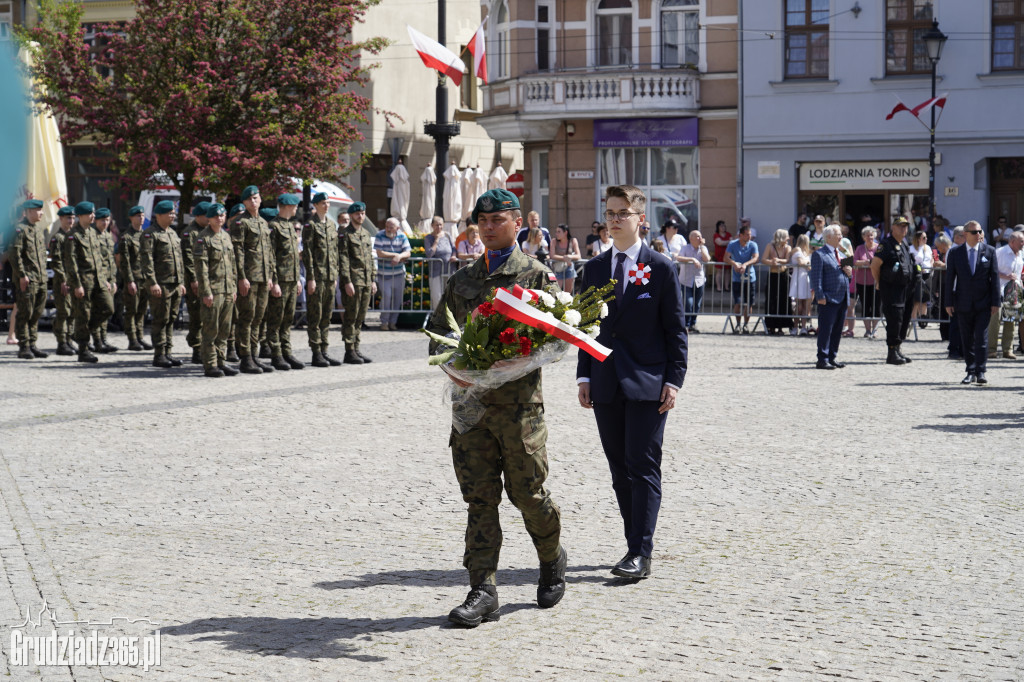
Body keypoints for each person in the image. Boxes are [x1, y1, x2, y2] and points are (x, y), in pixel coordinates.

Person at [427, 188, 566, 626]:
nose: (489, 227)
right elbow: (438, 333)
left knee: (529, 495)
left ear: (516, 223)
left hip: (521, 408)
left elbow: (560, 339)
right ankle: (482, 589)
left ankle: (551, 556)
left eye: (498, 220)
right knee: (479, 499)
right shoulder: (462, 279)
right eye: (482, 221)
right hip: (471, 409)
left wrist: (516, 361)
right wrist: (454, 366)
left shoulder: (536, 277)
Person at [577, 184, 687, 580]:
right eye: (609, 212)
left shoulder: (660, 267)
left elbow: (676, 330)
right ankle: (631, 543)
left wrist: (673, 380)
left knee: (642, 465)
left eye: (622, 212)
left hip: (648, 381)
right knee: (619, 469)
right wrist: (584, 374)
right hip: (605, 382)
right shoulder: (592, 269)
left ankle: (640, 551)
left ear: (641, 218)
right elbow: (585, 328)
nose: (614, 219)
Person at [944, 220, 1001, 384]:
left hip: (984, 303)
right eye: (975, 232)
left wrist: (995, 302)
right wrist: (948, 302)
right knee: (967, 338)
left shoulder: (989, 251)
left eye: (980, 231)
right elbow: (950, 279)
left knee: (981, 339)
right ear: (965, 234)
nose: (978, 235)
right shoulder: (955, 253)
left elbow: (995, 278)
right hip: (963, 303)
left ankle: (981, 371)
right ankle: (970, 370)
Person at [232, 185, 276, 374]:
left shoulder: (264, 223)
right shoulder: (240, 223)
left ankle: (254, 355)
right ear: (244, 202)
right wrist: (241, 277)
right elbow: (238, 252)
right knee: (247, 318)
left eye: (256, 198)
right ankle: (245, 357)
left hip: (263, 277)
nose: (253, 201)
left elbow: (269, 252)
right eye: (249, 199)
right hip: (249, 278)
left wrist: (271, 276)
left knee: (259, 318)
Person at [64, 202, 115, 363]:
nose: (93, 216)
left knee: (108, 308)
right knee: (83, 315)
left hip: (99, 281)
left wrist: (106, 279)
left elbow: (99, 259)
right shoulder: (73, 235)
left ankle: (81, 333)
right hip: (84, 282)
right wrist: (77, 284)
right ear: (80, 216)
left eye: (93, 213)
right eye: (89, 214)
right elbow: (71, 263)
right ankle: (83, 350)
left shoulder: (93, 233)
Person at [193, 203, 239, 378]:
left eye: (222, 215)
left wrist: (233, 288)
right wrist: (206, 292)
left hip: (227, 290)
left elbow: (232, 265)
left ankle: (221, 361)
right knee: (211, 329)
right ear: (209, 218)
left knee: (225, 330)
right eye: (215, 216)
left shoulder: (226, 237)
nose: (219, 218)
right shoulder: (203, 238)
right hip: (214, 290)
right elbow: (201, 269)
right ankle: (210, 364)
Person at [140, 200, 186, 368]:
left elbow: (179, 261)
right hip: (160, 284)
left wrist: (181, 282)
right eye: (169, 213)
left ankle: (168, 352)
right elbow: (147, 261)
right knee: (161, 319)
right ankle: (159, 354)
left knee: (171, 319)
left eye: (173, 213)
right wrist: (152, 283)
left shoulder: (173, 234)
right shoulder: (150, 234)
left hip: (174, 284)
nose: (172, 216)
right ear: (158, 215)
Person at [870, 217, 920, 366]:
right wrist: (879, 282)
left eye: (905, 226)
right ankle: (891, 352)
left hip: (905, 288)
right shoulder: (886, 244)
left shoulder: (904, 243)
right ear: (893, 228)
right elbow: (875, 265)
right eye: (900, 226)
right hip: (891, 289)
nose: (903, 229)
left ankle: (898, 349)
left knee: (903, 320)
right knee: (894, 320)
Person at [302, 192, 342, 365]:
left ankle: (324, 349)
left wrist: (335, 274)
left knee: (327, 314)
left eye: (328, 203)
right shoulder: (310, 225)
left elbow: (334, 252)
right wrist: (310, 277)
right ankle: (316, 351)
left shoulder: (332, 226)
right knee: (315, 315)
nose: (326, 205)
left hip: (329, 276)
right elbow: (308, 253)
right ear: (316, 205)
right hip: (316, 277)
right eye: (323, 203)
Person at [7, 199, 49, 359]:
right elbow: (14, 255)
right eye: (38, 210)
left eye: (41, 210)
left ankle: (32, 344)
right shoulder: (19, 230)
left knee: (37, 313)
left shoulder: (37, 230)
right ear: (29, 211)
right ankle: (23, 346)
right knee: (25, 312)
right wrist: (22, 275)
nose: (41, 213)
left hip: (40, 279)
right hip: (27, 279)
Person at [265, 194, 304, 370]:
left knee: (288, 318)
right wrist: (274, 281)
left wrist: (297, 280)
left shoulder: (289, 226)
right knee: (276, 319)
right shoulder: (274, 226)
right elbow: (271, 256)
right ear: (288, 206)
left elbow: (294, 256)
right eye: (295, 205)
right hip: (280, 279)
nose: (297, 208)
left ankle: (286, 352)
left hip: (291, 279)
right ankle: (276, 354)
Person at [338, 201, 377, 364]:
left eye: (362, 213)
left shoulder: (366, 234)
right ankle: (349, 350)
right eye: (357, 214)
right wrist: (347, 281)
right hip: (353, 281)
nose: (360, 216)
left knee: (360, 316)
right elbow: (343, 259)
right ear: (352, 215)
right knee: (351, 316)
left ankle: (356, 348)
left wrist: (373, 279)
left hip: (366, 281)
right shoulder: (345, 235)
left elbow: (370, 258)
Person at [809, 225, 852, 370]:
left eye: (841, 234)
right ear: (829, 237)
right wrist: (820, 296)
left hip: (842, 297)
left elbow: (848, 278)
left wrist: (850, 273)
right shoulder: (819, 255)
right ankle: (822, 359)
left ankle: (832, 357)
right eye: (838, 235)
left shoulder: (842, 254)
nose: (841, 237)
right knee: (826, 329)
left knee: (837, 329)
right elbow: (816, 278)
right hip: (828, 298)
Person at [116, 205, 151, 352]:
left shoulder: (146, 235)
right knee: (131, 310)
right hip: (134, 279)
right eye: (138, 216)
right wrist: (129, 281)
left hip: (145, 279)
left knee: (142, 310)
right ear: (131, 218)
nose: (141, 218)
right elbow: (124, 262)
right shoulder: (126, 237)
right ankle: (132, 339)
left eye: (142, 215)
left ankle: (140, 336)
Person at [180, 202, 210, 363]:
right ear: (198, 216)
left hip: (207, 280)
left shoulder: (207, 232)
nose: (209, 218)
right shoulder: (189, 233)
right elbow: (189, 259)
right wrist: (193, 280)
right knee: (196, 315)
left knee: (207, 315)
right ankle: (196, 348)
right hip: (195, 282)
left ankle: (205, 346)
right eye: (206, 215)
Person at [987, 230, 1023, 360]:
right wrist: (1005, 276)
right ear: (1012, 241)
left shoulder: (1020, 255)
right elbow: (991, 271)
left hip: (1013, 292)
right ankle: (991, 349)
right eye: (1021, 241)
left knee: (1011, 321)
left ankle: (1008, 349)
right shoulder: (1000, 252)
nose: (1023, 243)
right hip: (999, 290)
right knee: (995, 321)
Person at [373, 216, 411, 331]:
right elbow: (380, 253)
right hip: (384, 274)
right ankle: (384, 322)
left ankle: (392, 322)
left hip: (399, 273)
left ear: (397, 228)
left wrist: (399, 256)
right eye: (387, 226)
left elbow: (408, 252)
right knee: (387, 297)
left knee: (397, 299)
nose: (388, 229)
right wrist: (394, 255)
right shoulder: (380, 235)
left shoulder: (402, 235)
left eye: (391, 227)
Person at [49, 205, 78, 355]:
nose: (71, 221)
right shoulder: (58, 238)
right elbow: (56, 262)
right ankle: (61, 343)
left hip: (74, 281)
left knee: (72, 311)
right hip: (63, 281)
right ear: (61, 219)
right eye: (68, 218)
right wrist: (63, 280)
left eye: (73, 218)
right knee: (63, 312)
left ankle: (69, 340)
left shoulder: (74, 236)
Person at [92, 208, 119, 353]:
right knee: (103, 309)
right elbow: (96, 263)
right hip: (98, 280)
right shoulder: (93, 236)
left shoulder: (109, 237)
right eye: (102, 220)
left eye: (107, 220)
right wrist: (104, 281)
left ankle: (102, 339)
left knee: (105, 311)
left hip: (109, 280)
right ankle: (96, 340)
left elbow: (111, 262)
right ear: (96, 220)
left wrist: (113, 280)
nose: (105, 223)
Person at [724, 224, 759, 334]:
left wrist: (745, 265)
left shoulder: (753, 244)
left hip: (750, 277)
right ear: (741, 235)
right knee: (738, 302)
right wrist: (734, 264)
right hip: (737, 278)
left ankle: (746, 325)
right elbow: (726, 257)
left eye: (750, 235)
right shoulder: (732, 244)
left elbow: (756, 258)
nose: (749, 237)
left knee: (749, 303)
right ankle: (738, 324)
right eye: (747, 235)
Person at [677, 228, 710, 332]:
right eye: (697, 236)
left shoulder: (703, 248)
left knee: (697, 304)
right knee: (688, 302)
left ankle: (693, 324)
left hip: (699, 280)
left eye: (700, 236)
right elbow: (679, 258)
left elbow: (707, 259)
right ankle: (686, 324)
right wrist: (692, 259)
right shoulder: (685, 248)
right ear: (691, 238)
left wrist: (701, 247)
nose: (700, 238)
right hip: (686, 280)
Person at [763, 229, 793, 335]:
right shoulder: (770, 246)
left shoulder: (788, 247)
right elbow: (763, 259)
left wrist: (778, 261)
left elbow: (787, 259)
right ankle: (771, 326)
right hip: (773, 275)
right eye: (786, 237)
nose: (788, 239)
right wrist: (771, 262)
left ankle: (781, 326)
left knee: (783, 300)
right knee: (772, 299)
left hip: (783, 276)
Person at [424, 215, 457, 312]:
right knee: (437, 296)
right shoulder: (428, 238)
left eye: (440, 225)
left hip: (449, 269)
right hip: (435, 271)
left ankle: (448, 320)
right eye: (436, 225)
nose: (439, 227)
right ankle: (438, 320)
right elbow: (429, 254)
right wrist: (436, 240)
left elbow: (453, 248)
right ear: (432, 226)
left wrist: (454, 255)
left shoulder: (447, 235)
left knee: (449, 295)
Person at [853, 227, 879, 339]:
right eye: (868, 235)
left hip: (876, 281)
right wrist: (865, 262)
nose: (870, 237)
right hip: (862, 281)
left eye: (872, 235)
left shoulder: (879, 248)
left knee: (876, 306)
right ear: (863, 237)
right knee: (866, 306)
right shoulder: (859, 248)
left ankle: (875, 330)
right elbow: (854, 262)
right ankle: (867, 330)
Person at [909, 230, 935, 329]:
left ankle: (923, 319)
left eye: (926, 237)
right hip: (917, 275)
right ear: (918, 239)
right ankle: (913, 319)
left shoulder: (927, 248)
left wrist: (931, 266)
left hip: (927, 274)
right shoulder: (911, 249)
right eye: (924, 238)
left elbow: (931, 258)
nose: (926, 239)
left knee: (925, 297)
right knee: (917, 298)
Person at [789, 234, 813, 335]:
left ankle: (803, 327)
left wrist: (806, 263)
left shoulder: (806, 253)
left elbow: (808, 266)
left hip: (805, 279)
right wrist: (807, 263)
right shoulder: (797, 250)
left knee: (805, 305)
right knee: (798, 305)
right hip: (798, 278)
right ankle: (795, 327)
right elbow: (801, 262)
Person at [548, 223, 580, 294]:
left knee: (567, 294)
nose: (556, 234)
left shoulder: (573, 240)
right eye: (556, 232)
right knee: (556, 293)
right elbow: (552, 255)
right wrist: (565, 258)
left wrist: (570, 257)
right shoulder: (554, 241)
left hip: (569, 268)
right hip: (557, 269)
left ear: (565, 232)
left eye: (559, 232)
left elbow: (578, 256)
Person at [712, 220, 731, 292]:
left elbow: (731, 243)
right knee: (719, 271)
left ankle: (726, 287)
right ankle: (719, 287)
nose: (723, 227)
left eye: (724, 226)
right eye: (721, 226)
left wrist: (725, 242)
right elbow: (720, 243)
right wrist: (728, 242)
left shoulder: (728, 234)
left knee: (727, 271)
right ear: (718, 227)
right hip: (719, 256)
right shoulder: (716, 235)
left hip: (727, 255)